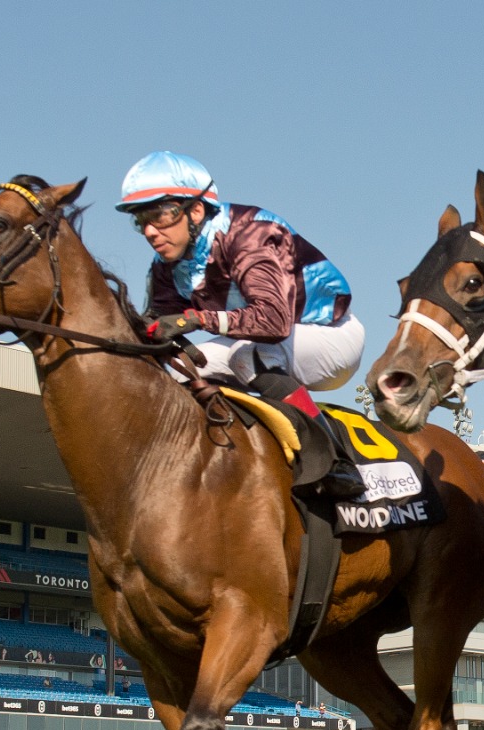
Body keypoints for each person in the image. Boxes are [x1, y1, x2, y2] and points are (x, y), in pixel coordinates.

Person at [116, 151, 366, 498]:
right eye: (140, 220)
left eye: (160, 215)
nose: (150, 232)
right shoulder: (165, 266)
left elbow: (273, 321)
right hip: (264, 343)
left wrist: (197, 318)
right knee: (180, 371)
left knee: (247, 356)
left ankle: (335, 463)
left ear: (196, 210)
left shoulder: (250, 235)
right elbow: (155, 329)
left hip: (329, 336)